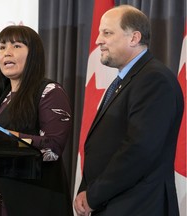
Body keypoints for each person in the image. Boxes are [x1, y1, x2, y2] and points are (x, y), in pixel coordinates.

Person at [74, 5, 184, 216]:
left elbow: (138, 150)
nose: (98, 40)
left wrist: (94, 196)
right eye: (99, 32)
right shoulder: (128, 80)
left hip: (138, 206)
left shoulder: (154, 80)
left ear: (134, 38)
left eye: (107, 32)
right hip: (115, 202)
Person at [0, 25, 74, 216]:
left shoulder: (49, 91)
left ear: (33, 55)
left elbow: (52, 148)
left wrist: (11, 138)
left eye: (16, 46)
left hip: (32, 201)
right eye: (2, 47)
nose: (6, 53)